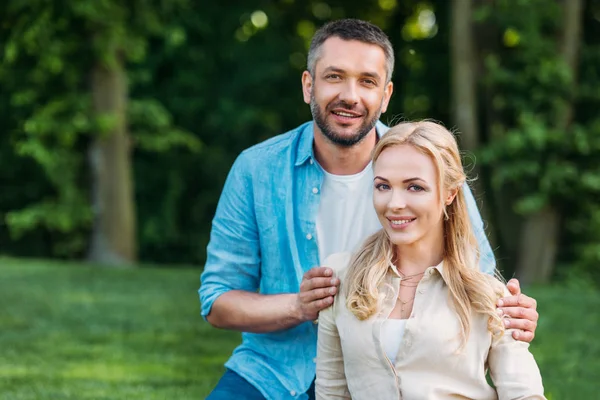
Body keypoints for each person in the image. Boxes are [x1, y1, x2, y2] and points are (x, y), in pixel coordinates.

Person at [199, 19, 539, 400]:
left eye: (367, 81)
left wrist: (512, 314)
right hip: (270, 372)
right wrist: (298, 306)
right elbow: (217, 301)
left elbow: (477, 275)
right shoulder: (256, 169)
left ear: (386, 95)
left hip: (377, 370)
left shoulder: (420, 168)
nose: (350, 95)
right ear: (308, 85)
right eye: (334, 77)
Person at [315, 121, 545, 400]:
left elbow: (524, 394)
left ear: (449, 193)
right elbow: (331, 391)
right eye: (383, 186)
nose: (394, 203)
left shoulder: (488, 296)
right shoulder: (341, 276)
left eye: (415, 188)